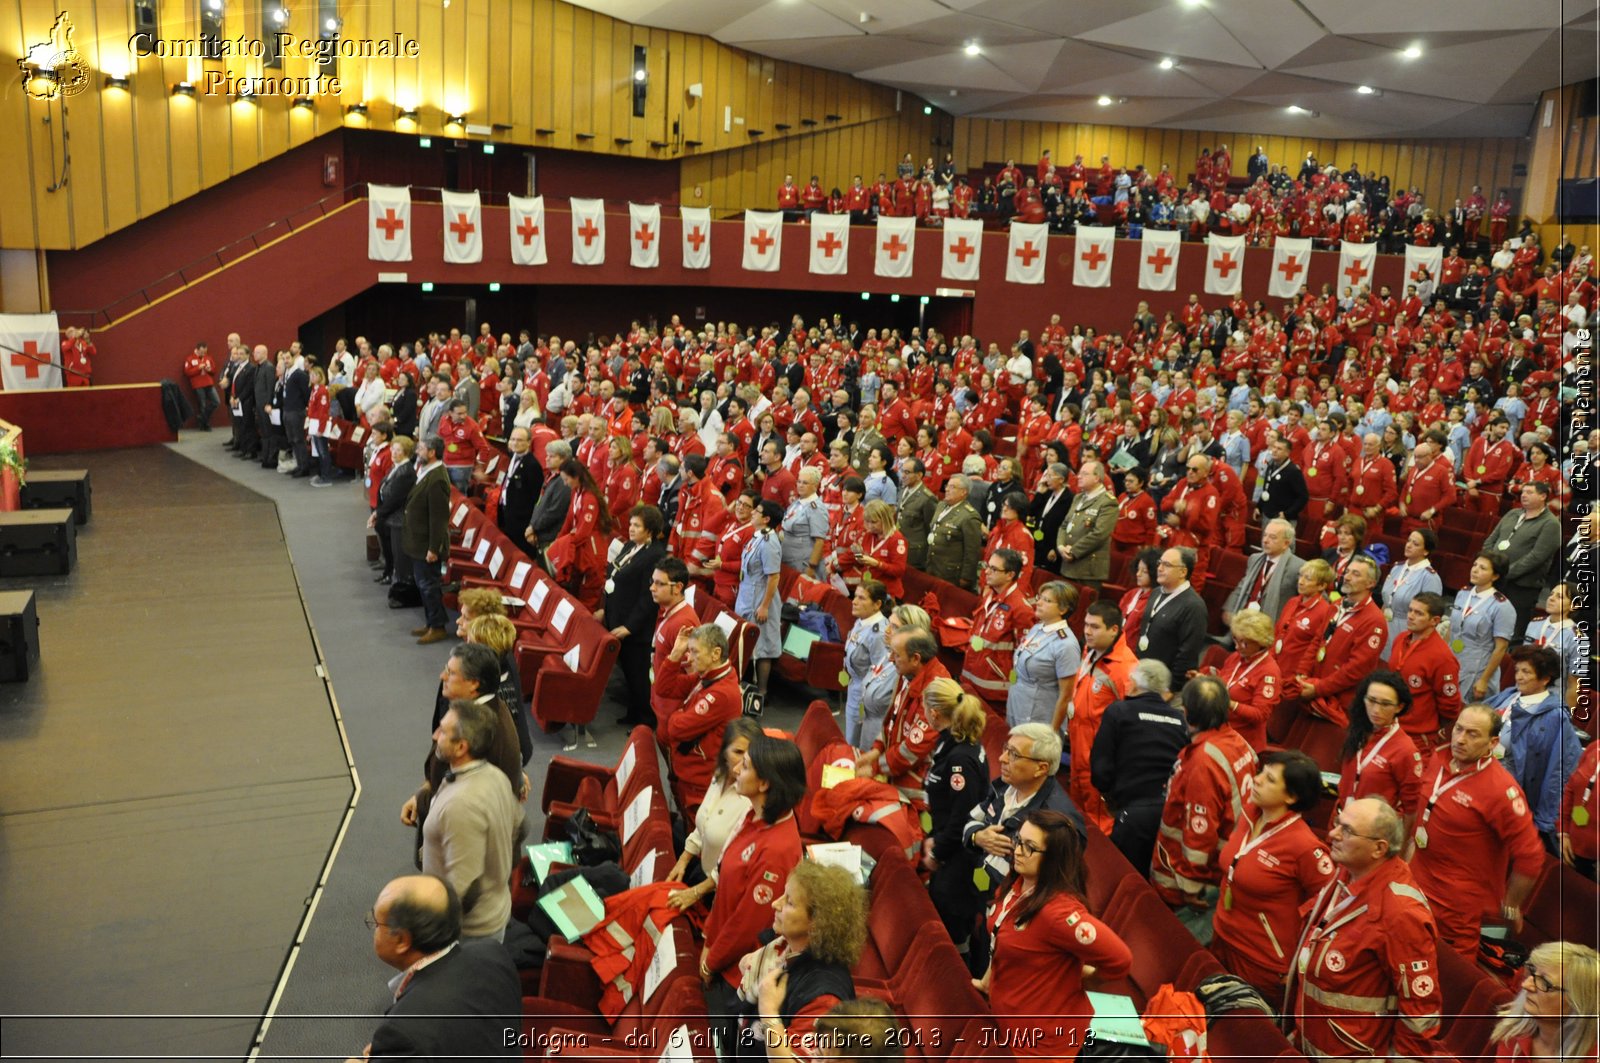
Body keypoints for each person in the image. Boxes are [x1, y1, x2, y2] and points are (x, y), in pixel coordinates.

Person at [1290, 796, 1442, 1061]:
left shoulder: (1401, 914)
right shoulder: (1346, 873)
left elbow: (1421, 1011)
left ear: (1378, 848)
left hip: (1353, 1053)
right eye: (1338, 823)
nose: (1333, 834)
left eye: (1347, 831)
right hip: (1313, 1038)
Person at [973, 810, 1132, 1061]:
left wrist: (1087, 977)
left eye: (1029, 847)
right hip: (1008, 1022)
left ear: (1053, 859)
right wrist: (986, 983)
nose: (1017, 851)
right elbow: (1000, 936)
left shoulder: (1059, 913)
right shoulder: (1017, 882)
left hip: (1042, 1045)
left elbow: (1120, 958)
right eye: (1018, 840)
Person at [1408, 705, 1546, 958]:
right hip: (1415, 885)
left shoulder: (1501, 790)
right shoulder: (1438, 759)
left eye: (1473, 734)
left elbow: (1531, 856)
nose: (1460, 739)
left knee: (1450, 977)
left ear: (1492, 742)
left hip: (1458, 908)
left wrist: (1511, 906)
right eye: (1459, 729)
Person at [702, 734, 806, 1055]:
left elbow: (747, 923)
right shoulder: (754, 816)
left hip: (736, 974)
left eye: (744, 766)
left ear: (764, 785)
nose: (735, 770)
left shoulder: (776, 849)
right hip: (719, 948)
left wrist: (711, 961)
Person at [1209, 751, 1335, 1008]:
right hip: (1222, 937)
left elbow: (1328, 906)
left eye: (1269, 779)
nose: (1256, 780)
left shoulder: (1305, 847)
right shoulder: (1249, 813)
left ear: (1291, 797)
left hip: (1261, 963)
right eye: (1261, 773)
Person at [349, 874, 520, 1063]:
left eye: (376, 922)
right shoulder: (492, 953)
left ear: (401, 941)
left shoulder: (403, 1033)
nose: (373, 928)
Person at [1151, 675, 1257, 945]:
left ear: (1186, 713)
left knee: (1170, 945)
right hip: (1223, 863)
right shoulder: (1239, 742)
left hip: (1189, 876)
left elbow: (1200, 831)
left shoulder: (1203, 761)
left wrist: (1191, 885)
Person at [419, 699, 522, 943]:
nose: (435, 735)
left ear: (461, 747)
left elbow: (463, 888)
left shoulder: (462, 804)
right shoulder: (495, 777)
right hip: (495, 911)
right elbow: (521, 825)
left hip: (468, 933)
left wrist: (433, 933)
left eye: (443, 731)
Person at [742, 862, 867, 1060]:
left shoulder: (824, 999)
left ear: (818, 922)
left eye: (789, 902)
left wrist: (768, 1012)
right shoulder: (787, 948)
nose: (775, 903)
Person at [1091, 658, 1187, 872]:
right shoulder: (1179, 719)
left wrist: (1107, 795)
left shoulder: (1118, 712)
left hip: (1132, 813)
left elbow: (1101, 767)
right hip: (1170, 815)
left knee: (1124, 878)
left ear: (1133, 684)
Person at [1488, 646, 1584, 850]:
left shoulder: (1555, 717)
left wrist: (1544, 821)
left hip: (1512, 791)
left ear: (1545, 679)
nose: (1519, 677)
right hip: (1485, 772)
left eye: (1526, 672)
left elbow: (1558, 771)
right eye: (1517, 670)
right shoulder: (1509, 694)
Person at [921, 679, 990, 953]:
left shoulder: (960, 759)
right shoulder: (951, 743)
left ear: (935, 713)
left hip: (958, 857)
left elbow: (962, 817)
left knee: (952, 925)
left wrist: (938, 851)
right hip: (947, 846)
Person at [667, 717, 762, 913]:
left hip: (724, 893)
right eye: (738, 752)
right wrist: (683, 860)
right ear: (724, 752)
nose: (745, 761)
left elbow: (737, 864)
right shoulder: (720, 775)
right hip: (703, 872)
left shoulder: (751, 799)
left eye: (751, 754)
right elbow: (705, 823)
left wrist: (695, 892)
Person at [1286, 554, 1387, 733]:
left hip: (1337, 703)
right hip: (1312, 690)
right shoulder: (1337, 605)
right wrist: (1301, 674)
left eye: (1356, 574)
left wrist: (1319, 688)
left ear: (1370, 583)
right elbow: (1317, 641)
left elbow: (1356, 670)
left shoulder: (1374, 621)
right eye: (1347, 571)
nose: (1346, 577)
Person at [857, 629, 949, 808]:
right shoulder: (907, 674)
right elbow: (892, 718)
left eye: (896, 654)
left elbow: (913, 749)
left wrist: (875, 767)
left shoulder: (935, 691)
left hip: (919, 790)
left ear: (915, 658)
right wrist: (877, 750)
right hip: (898, 773)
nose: (891, 658)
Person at [663, 624, 745, 817]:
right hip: (687, 774)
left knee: (696, 838)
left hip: (699, 785)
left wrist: (677, 712)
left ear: (715, 654)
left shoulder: (721, 692)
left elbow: (674, 729)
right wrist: (674, 655)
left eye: (694, 652)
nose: (688, 658)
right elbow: (664, 688)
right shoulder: (708, 677)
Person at [604, 505, 668, 728]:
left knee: (638, 675)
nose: (630, 528)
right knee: (629, 673)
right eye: (631, 523)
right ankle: (633, 714)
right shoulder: (631, 546)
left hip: (636, 627)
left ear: (649, 530)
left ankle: (645, 721)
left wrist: (629, 627)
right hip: (617, 615)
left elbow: (647, 598)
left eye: (637, 525)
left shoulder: (654, 555)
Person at [1334, 671, 1424, 830]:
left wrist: (1400, 849)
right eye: (1372, 700)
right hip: (1340, 819)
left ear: (1399, 707)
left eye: (1385, 704)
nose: (1376, 710)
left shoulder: (1405, 750)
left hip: (1370, 832)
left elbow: (1411, 808)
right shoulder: (1358, 730)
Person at [1490, 941, 1600, 1061]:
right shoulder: (1513, 1032)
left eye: (1545, 982)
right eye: (1532, 973)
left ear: (1579, 1003)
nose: (1526, 985)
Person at [960, 549, 1036, 711]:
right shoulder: (990, 596)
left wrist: (1013, 685)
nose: (986, 571)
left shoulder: (1021, 609)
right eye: (987, 566)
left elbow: (1024, 656)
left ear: (1010, 575)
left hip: (994, 691)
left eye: (994, 569)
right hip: (971, 677)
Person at [1485, 482, 1563, 640]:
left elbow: (1536, 557)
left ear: (1543, 496)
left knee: (1510, 634)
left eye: (1529, 492)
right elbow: (1490, 541)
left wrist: (1504, 572)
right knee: (1486, 625)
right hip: (1495, 579)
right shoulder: (1513, 514)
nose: (1524, 495)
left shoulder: (1551, 524)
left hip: (1522, 587)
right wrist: (1490, 566)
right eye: (1523, 492)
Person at [1006, 581, 1080, 729]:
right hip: (1017, 705)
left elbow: (1066, 696)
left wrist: (1052, 732)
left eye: (1046, 601)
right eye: (1039, 598)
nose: (1038, 603)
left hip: (1039, 717)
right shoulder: (1037, 628)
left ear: (1063, 609)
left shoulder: (1066, 644)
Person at [402, 436, 452, 644]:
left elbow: (438, 519)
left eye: (421, 448)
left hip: (427, 544)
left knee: (429, 585)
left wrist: (434, 548)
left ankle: (438, 626)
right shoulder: (426, 472)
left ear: (432, 453)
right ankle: (431, 622)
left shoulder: (438, 478)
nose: (417, 451)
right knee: (423, 585)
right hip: (418, 541)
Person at [547, 458, 614, 612]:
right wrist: (557, 542)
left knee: (587, 598)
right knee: (574, 592)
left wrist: (562, 544)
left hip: (592, 554)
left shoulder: (590, 498)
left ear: (576, 477)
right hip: (581, 550)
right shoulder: (576, 493)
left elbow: (583, 532)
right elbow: (569, 521)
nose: (564, 483)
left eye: (566, 479)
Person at [1451, 551, 1517, 703]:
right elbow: (1453, 628)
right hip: (1453, 659)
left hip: (1477, 667)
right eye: (1474, 565)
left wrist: (1484, 680)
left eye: (1482, 568)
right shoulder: (1463, 593)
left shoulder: (1502, 606)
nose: (1475, 570)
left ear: (1495, 576)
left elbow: (1501, 648)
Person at [1210, 610, 1280, 751]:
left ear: (1261, 642)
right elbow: (1228, 682)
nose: (1237, 646)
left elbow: (1260, 714)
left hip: (1242, 742)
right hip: (1219, 731)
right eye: (1235, 639)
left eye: (1244, 643)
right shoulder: (1236, 657)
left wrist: (1229, 704)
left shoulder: (1269, 673)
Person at [1137, 546, 1208, 679]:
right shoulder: (1156, 592)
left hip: (1164, 684)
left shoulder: (1193, 607)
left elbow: (1187, 654)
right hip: (1141, 672)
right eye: (1160, 563)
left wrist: (1171, 688)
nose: (1159, 568)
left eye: (1167, 565)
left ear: (1182, 572)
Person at [738, 500, 785, 701]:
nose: (752, 513)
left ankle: (762, 692)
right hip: (748, 593)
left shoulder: (769, 543)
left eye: (756, 511)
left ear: (766, 519)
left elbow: (773, 577)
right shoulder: (758, 537)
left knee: (763, 645)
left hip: (760, 598)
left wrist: (764, 606)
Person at [1221, 519, 1303, 628]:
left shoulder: (1298, 567)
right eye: (1265, 535)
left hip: (1270, 627)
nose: (1265, 540)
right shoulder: (1254, 559)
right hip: (1244, 622)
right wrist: (1229, 609)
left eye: (1272, 537)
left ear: (1286, 543)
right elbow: (1242, 586)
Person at [842, 581, 894, 749]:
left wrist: (866, 703)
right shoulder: (861, 620)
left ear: (877, 604)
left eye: (861, 598)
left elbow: (881, 673)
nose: (854, 601)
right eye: (855, 596)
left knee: (859, 747)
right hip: (854, 688)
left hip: (867, 699)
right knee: (850, 741)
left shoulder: (879, 633)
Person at [1380, 528, 1443, 655]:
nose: (1409, 545)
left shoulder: (1430, 577)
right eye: (1409, 541)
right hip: (1385, 624)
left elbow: (1431, 615)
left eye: (1415, 544)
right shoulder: (1397, 567)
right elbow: (1387, 600)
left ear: (1425, 551)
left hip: (1407, 629)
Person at [1056, 461, 1117, 588]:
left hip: (1087, 569)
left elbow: (1099, 534)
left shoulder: (1108, 502)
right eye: (1079, 473)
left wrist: (1073, 552)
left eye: (1084, 474)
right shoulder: (1078, 498)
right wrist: (1061, 546)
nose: (1079, 476)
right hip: (1067, 565)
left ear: (1097, 477)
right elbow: (1064, 525)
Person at [1528, 582, 1587, 707]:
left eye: (1559, 597)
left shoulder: (1579, 639)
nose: (1551, 598)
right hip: (1524, 690)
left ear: (1573, 606)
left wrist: (1565, 716)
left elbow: (1574, 684)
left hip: (1550, 700)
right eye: (1551, 594)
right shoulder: (1534, 624)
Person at [369, 435, 416, 586]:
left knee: (394, 551)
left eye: (398, 450)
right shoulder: (395, 467)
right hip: (387, 515)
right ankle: (387, 572)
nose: (394, 453)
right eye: (393, 449)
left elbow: (396, 499)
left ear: (407, 452)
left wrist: (378, 513)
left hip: (395, 517)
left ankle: (393, 575)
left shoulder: (406, 472)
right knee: (387, 549)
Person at [924, 475, 985, 590]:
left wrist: (966, 577)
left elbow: (972, 551)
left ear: (963, 492)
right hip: (932, 565)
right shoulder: (941, 505)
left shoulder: (969, 516)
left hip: (950, 573)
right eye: (947, 485)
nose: (946, 489)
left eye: (952, 487)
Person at [495, 425, 545, 558]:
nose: (515, 443)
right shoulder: (513, 457)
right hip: (508, 513)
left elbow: (535, 498)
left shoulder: (532, 465)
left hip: (521, 521)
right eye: (513, 439)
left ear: (529, 442)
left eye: (520, 440)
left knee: (518, 555)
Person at [527, 439, 573, 558]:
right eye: (547, 455)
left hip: (550, 538)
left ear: (563, 459)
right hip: (540, 533)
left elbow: (555, 511)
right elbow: (539, 504)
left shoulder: (564, 482)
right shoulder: (550, 476)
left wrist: (534, 527)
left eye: (552, 456)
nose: (547, 458)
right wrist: (532, 526)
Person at [855, 500, 907, 600]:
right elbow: (860, 559)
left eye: (874, 522)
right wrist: (859, 558)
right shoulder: (868, 534)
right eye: (867, 521)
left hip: (887, 594)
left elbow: (899, 571)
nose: (869, 526)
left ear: (885, 519)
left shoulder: (897, 539)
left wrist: (877, 564)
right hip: (868, 591)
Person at [782, 467, 829, 576]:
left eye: (805, 483)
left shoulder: (816, 508)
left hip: (802, 565)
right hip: (788, 562)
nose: (800, 485)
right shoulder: (797, 503)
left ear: (815, 486)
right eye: (799, 481)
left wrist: (811, 567)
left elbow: (819, 541)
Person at [896, 458, 937, 571]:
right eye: (902, 471)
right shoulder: (903, 491)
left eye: (907, 472)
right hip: (899, 546)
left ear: (919, 475)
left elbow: (930, 529)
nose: (903, 475)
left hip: (914, 552)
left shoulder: (927, 498)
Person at [183, 341, 218, 430]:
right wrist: (198, 368)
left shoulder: (208, 358)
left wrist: (209, 369)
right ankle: (204, 424)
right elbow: (187, 372)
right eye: (202, 352)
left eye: (205, 352)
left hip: (209, 383)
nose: (203, 354)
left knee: (216, 401)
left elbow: (214, 370)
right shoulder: (190, 359)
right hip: (198, 385)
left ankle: (202, 418)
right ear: (197, 350)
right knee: (202, 405)